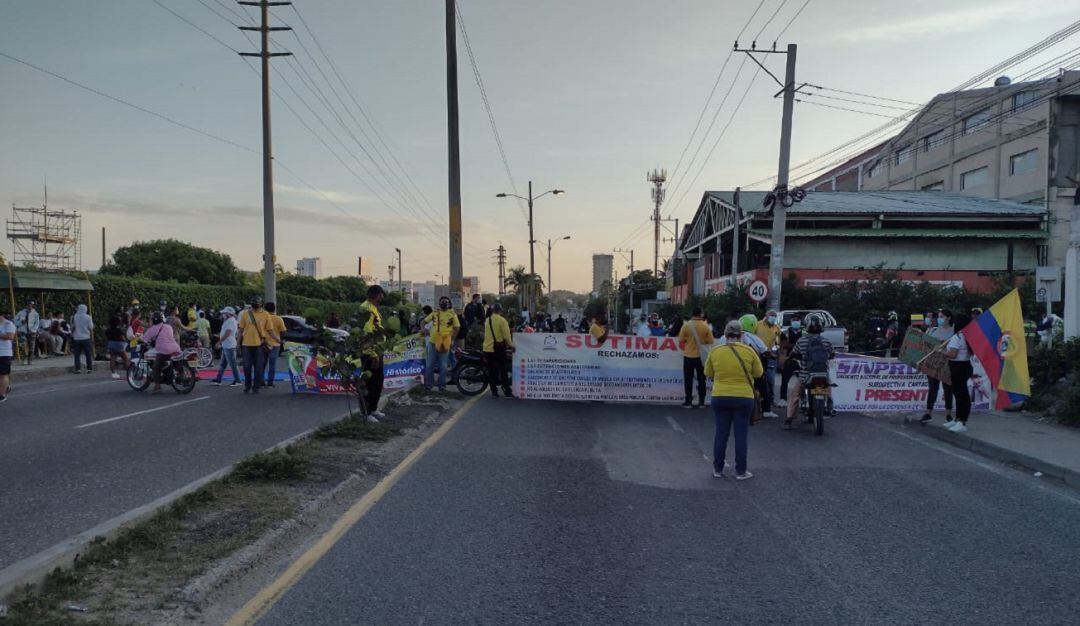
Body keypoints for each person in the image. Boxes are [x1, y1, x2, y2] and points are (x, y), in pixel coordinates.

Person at [705, 320, 763, 480]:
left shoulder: (716, 351)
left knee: (721, 434)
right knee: (741, 435)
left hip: (720, 397)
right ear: (742, 335)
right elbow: (758, 373)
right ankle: (741, 471)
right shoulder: (749, 351)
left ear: (725, 335)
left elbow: (708, 372)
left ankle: (718, 469)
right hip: (743, 398)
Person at [785, 318, 835, 428]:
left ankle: (789, 420)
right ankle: (830, 406)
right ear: (821, 328)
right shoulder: (826, 341)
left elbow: (793, 354)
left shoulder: (801, 340)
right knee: (829, 387)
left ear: (807, 328)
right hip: (822, 374)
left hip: (805, 374)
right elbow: (832, 354)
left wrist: (788, 359)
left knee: (795, 394)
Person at [920, 309, 955, 425]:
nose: (939, 319)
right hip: (933, 364)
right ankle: (928, 413)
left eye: (942, 316)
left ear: (948, 318)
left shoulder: (954, 331)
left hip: (947, 364)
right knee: (932, 389)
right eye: (939, 316)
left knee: (948, 389)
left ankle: (948, 415)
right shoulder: (933, 331)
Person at [678, 306, 715, 409]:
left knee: (688, 379)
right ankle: (702, 402)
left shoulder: (686, 325)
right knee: (701, 379)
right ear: (701, 314)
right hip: (700, 357)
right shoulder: (705, 326)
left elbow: (681, 340)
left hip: (688, 356)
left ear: (693, 314)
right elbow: (710, 341)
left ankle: (688, 401)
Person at [360, 286, 387, 419]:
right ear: (377, 295)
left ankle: (373, 409)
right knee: (369, 384)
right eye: (382, 295)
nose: (382, 298)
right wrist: (373, 354)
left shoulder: (373, 308)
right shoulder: (367, 309)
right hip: (369, 353)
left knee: (377, 382)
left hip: (376, 350)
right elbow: (367, 334)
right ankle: (366, 413)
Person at [944, 314, 973, 433]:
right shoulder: (966, 336)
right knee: (958, 394)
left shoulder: (958, 337)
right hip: (964, 366)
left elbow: (952, 354)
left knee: (961, 395)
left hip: (958, 367)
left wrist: (941, 352)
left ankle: (962, 421)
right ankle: (957, 419)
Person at [424, 295, 460, 392]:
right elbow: (424, 321)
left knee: (443, 366)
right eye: (442, 302)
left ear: (449, 304)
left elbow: (457, 327)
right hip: (433, 342)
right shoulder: (435, 313)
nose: (444, 303)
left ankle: (442, 386)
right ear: (439, 303)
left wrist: (452, 340)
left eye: (446, 302)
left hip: (445, 342)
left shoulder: (452, 314)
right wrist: (424, 330)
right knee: (429, 365)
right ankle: (429, 385)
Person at [237, 296, 271, 395]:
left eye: (257, 304)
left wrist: (274, 341)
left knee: (259, 367)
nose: (255, 306)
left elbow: (269, 330)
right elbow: (240, 330)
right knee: (247, 367)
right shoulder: (245, 314)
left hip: (259, 345)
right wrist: (238, 343)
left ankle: (256, 386)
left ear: (261, 304)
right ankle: (247, 385)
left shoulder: (265, 315)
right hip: (246, 345)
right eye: (254, 304)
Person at [141, 311, 181, 394]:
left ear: (154, 320)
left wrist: (142, 341)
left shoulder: (152, 329)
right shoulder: (168, 327)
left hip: (164, 350)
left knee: (155, 367)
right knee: (176, 363)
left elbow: (144, 339)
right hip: (176, 348)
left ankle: (157, 386)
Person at [754, 309, 782, 415]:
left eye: (774, 316)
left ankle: (770, 400)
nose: (773, 317)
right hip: (756, 355)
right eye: (771, 315)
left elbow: (780, 341)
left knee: (770, 379)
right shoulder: (757, 325)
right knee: (758, 378)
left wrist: (778, 351)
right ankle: (757, 401)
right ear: (766, 315)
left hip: (769, 356)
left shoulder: (776, 328)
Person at [483, 302, 514, 398]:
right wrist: (511, 346)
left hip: (487, 348)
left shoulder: (487, 320)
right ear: (500, 310)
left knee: (491, 370)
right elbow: (506, 336)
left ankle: (494, 392)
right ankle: (507, 391)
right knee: (503, 369)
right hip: (498, 349)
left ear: (492, 310)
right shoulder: (502, 320)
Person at [211, 306, 241, 387]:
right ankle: (218, 379)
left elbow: (228, 333)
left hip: (229, 346)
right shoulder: (229, 320)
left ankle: (238, 380)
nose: (223, 314)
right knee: (223, 364)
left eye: (224, 313)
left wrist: (219, 342)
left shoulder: (230, 321)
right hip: (227, 345)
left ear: (229, 314)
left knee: (233, 364)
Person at [777, 315, 803, 407]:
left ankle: (804, 400)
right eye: (794, 320)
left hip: (801, 360)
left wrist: (792, 345)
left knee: (803, 381)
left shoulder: (804, 332)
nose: (796, 322)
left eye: (798, 320)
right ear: (791, 321)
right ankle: (782, 399)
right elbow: (783, 345)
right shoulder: (785, 333)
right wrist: (798, 345)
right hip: (788, 359)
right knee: (785, 380)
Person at [262, 302, 286, 388]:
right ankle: (270, 382)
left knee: (262, 363)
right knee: (272, 364)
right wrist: (280, 339)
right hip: (276, 344)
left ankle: (261, 381)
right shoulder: (279, 319)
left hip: (264, 343)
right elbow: (283, 331)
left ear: (265, 309)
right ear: (274, 308)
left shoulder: (263, 318)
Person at [105, 315, 130, 380]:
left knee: (112, 359)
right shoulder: (118, 330)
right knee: (125, 359)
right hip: (119, 345)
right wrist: (126, 341)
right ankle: (129, 373)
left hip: (111, 344)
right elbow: (122, 337)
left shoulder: (108, 330)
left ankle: (114, 373)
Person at [71, 304, 94, 374]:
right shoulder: (88, 317)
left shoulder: (74, 316)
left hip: (76, 338)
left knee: (77, 355)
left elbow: (72, 327)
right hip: (86, 338)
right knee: (88, 354)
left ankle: (78, 369)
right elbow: (91, 327)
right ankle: (89, 369)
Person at [0, 310, 15, 402]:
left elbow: (10, 336)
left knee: (3, 374)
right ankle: (5, 386)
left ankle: (2, 395)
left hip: (4, 353)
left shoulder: (8, 324)